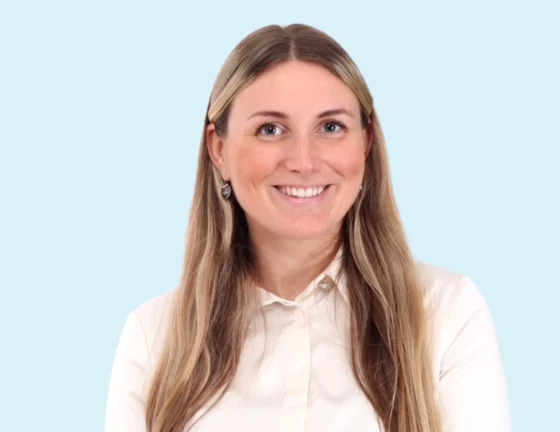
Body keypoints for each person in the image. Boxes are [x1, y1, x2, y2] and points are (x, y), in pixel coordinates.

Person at [104, 23, 510, 432]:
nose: (304, 161)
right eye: (270, 129)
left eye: (331, 127)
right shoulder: (152, 338)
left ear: (366, 143)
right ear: (219, 149)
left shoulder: (448, 315)